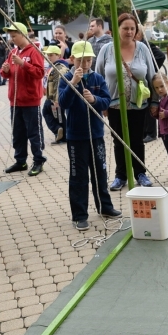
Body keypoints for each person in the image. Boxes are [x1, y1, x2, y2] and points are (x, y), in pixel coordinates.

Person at [58, 41, 121, 231]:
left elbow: (106, 101)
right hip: (76, 137)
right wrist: (73, 84)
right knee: (78, 176)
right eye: (80, 60)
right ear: (72, 60)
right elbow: (63, 102)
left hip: (96, 134)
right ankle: (79, 215)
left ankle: (105, 206)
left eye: (88, 60)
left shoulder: (98, 78)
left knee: (100, 171)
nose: (84, 64)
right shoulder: (66, 78)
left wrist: (94, 100)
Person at [96, 13, 155, 191]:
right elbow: (98, 76)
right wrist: (101, 103)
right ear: (116, 29)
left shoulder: (143, 49)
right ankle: (120, 176)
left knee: (137, 140)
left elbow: (153, 76)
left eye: (132, 28)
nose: (129, 32)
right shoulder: (106, 49)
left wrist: (155, 102)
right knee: (119, 140)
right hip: (113, 104)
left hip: (138, 104)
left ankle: (140, 173)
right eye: (125, 28)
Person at [1, 22, 47, 176]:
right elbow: (5, 72)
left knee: (34, 132)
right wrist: (5, 71)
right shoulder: (12, 51)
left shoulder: (34, 51)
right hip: (15, 100)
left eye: (14, 36)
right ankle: (20, 161)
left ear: (23, 34)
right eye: (11, 36)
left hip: (30, 100)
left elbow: (40, 73)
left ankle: (38, 160)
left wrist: (23, 64)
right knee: (18, 132)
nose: (12, 39)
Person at [43, 45, 70, 144]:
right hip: (52, 96)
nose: (48, 57)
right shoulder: (54, 66)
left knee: (56, 115)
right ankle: (61, 133)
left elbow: (59, 84)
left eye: (51, 55)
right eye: (47, 55)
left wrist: (56, 99)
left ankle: (60, 132)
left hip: (55, 97)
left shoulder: (59, 67)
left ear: (58, 55)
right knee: (57, 115)